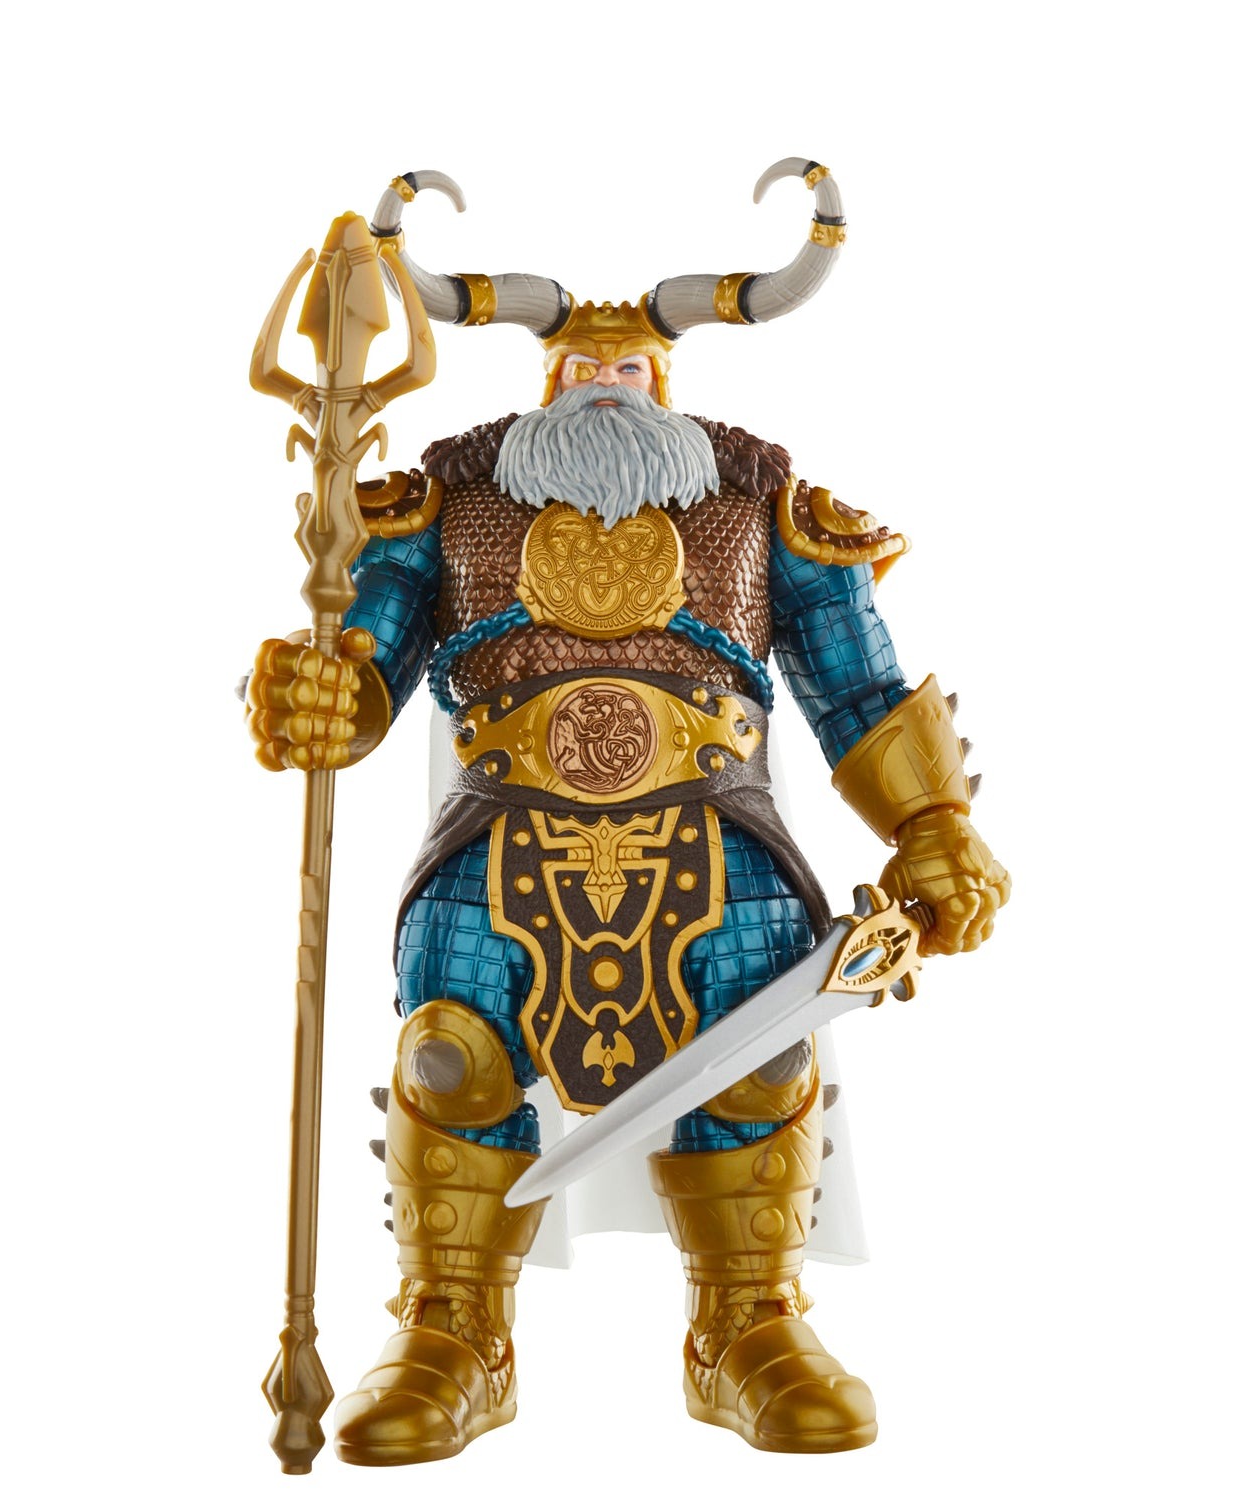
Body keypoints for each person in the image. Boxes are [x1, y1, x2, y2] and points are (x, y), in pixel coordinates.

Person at [245, 160, 1009, 1464]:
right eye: (580, 362)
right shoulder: (446, 500)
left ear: (668, 382)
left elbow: (858, 685)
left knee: (762, 1042)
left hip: (720, 831)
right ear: (544, 383)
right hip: (498, 832)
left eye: (631, 362)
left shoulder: (759, 499)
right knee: (451, 1043)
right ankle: (454, 1331)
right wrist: (321, 695)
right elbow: (368, 669)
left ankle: (746, 1326)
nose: (605, 374)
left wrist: (933, 826)